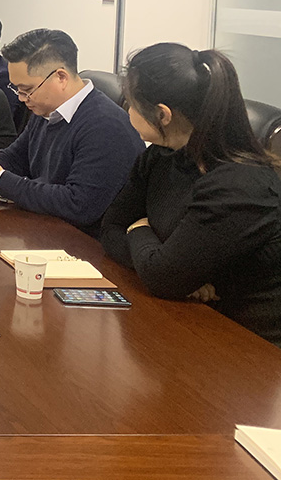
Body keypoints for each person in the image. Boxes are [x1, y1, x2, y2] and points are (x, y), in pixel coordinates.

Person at [100, 43, 281, 346]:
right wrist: (163, 266)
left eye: (131, 103)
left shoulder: (238, 187)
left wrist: (140, 230)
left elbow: (162, 276)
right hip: (184, 319)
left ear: (163, 114)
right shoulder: (161, 156)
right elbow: (111, 229)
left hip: (247, 346)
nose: (127, 110)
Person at [0, 28, 142, 237]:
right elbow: (17, 157)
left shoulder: (105, 126)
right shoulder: (46, 109)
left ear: (61, 77)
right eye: (17, 89)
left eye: (27, 90)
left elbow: (79, 205)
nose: (21, 98)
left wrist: (0, 181)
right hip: (44, 227)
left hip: (83, 242)